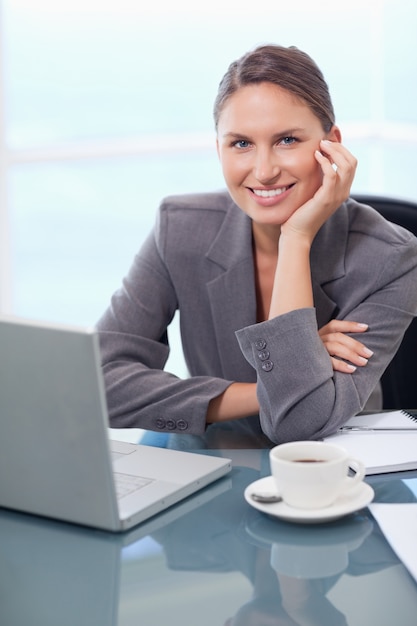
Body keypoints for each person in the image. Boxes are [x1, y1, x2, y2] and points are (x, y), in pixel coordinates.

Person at [97, 44, 417, 444]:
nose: (263, 172)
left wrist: (296, 238)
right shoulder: (180, 229)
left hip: (337, 459)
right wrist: (276, 379)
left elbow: (299, 422)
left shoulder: (390, 257)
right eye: (241, 144)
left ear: (332, 143)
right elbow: (100, 383)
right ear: (219, 148)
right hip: (218, 448)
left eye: (287, 139)